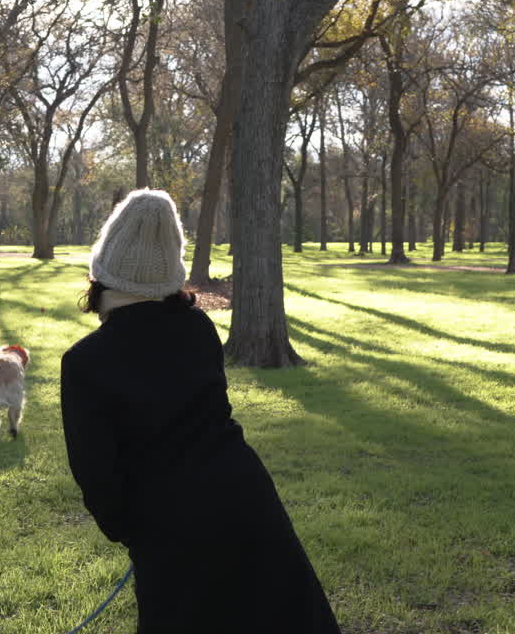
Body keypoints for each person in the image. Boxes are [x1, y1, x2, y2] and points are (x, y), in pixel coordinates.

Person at [60, 189, 341, 633]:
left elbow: (97, 475)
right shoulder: (199, 327)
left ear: (103, 273)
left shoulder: (84, 361)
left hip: (169, 526)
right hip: (247, 499)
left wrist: (132, 530)